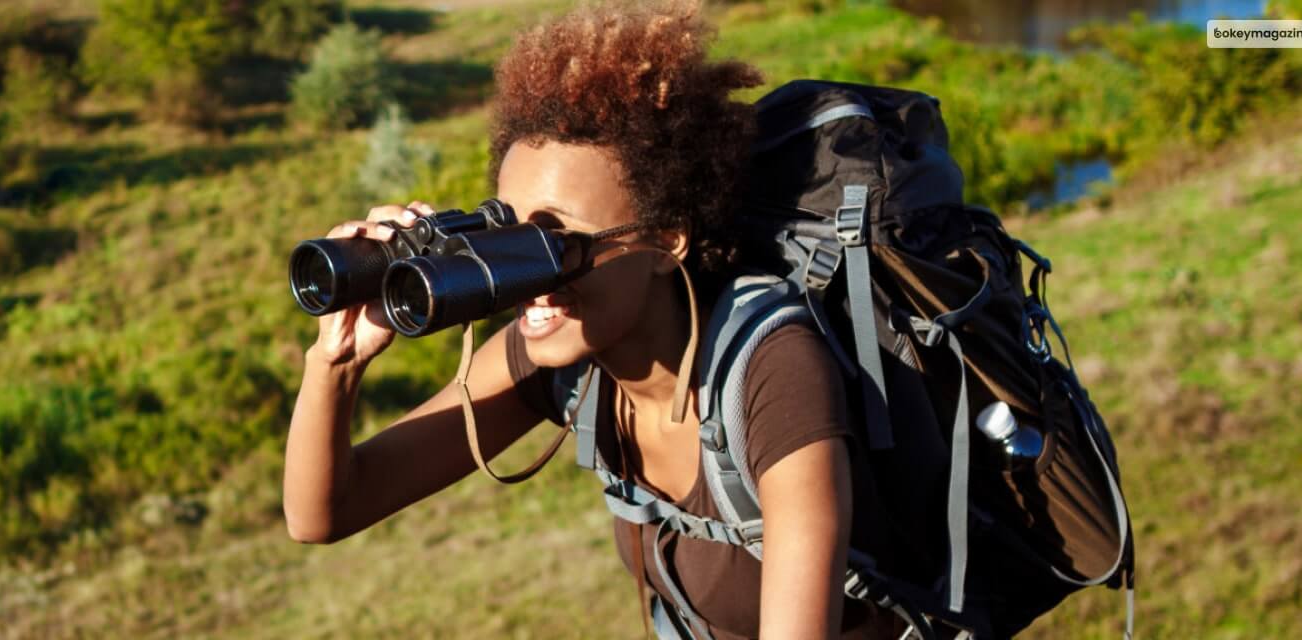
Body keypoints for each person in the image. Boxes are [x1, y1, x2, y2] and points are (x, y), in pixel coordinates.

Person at [284, 3, 907, 638]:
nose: (531, 273)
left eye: (559, 239)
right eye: (510, 230)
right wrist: (335, 361)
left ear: (667, 241)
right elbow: (325, 515)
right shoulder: (561, 358)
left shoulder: (772, 372)